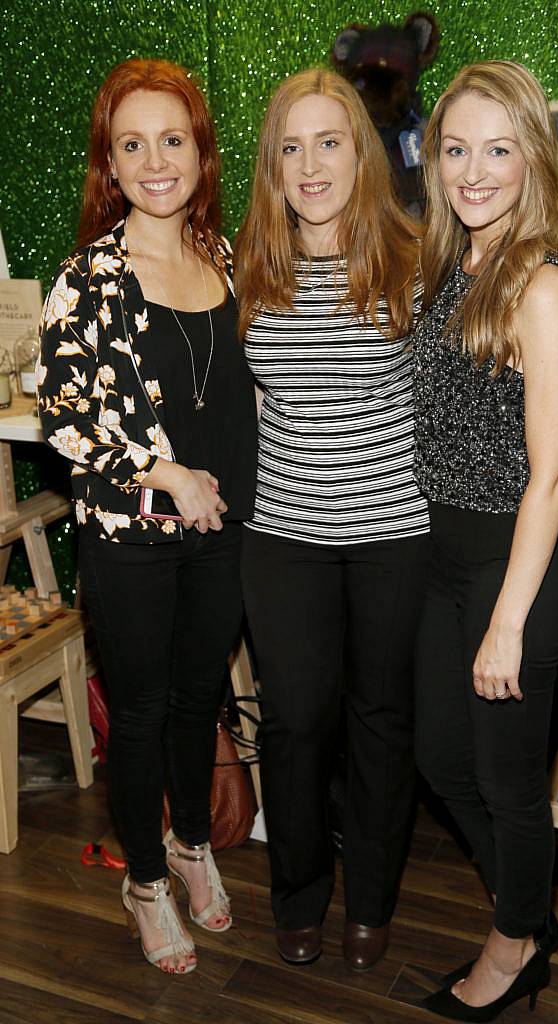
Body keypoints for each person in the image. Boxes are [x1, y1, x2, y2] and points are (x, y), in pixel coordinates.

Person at [37, 58, 257, 975]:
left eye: (172, 140)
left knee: (194, 701)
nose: (155, 160)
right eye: (133, 144)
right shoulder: (88, 274)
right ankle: (143, 883)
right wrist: (167, 473)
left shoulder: (224, 257)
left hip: (226, 532)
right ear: (111, 163)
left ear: (201, 153)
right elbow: (61, 415)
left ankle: (190, 844)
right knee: (137, 711)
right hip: (133, 537)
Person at [235, 67, 430, 971]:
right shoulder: (248, 269)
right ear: (271, 166)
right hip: (283, 534)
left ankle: (373, 903)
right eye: (290, 146)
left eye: (327, 142)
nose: (309, 165)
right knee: (294, 721)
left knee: (380, 721)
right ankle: (299, 893)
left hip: (392, 532)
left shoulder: (415, 258)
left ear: (360, 151)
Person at [413, 60, 558, 1020]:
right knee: (441, 758)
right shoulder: (454, 264)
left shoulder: (541, 282)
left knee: (505, 781)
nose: (472, 171)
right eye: (454, 149)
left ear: (531, 160)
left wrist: (508, 622)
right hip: (444, 558)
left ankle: (516, 940)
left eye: (496, 150)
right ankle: (526, 909)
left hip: (510, 567)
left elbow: (552, 472)